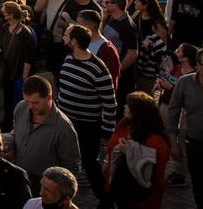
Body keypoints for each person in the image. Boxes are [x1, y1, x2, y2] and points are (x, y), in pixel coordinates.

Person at [58, 24, 117, 204]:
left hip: (87, 127)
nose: (63, 38)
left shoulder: (98, 68)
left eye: (67, 35)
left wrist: (106, 132)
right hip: (66, 122)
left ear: (74, 41)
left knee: (90, 164)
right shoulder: (68, 59)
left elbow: (110, 103)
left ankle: (104, 199)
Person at [11, 76, 81, 191]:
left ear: (49, 97)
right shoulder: (21, 108)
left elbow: (71, 166)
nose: (30, 106)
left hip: (43, 185)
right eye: (27, 101)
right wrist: (8, 142)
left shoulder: (63, 128)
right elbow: (15, 132)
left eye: (35, 102)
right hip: (18, 176)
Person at [103, 91, 170, 209]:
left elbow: (154, 168)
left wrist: (129, 151)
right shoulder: (125, 124)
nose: (124, 106)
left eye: (128, 105)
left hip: (139, 198)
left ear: (138, 112)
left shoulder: (155, 140)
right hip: (118, 188)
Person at [167, 45, 203, 209]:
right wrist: (173, 142)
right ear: (198, 65)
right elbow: (173, 111)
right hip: (194, 144)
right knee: (199, 187)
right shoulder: (185, 83)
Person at [0, 2, 36, 131]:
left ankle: (17, 124)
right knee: (7, 97)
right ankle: (7, 120)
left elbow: (28, 57)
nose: (2, 14)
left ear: (11, 14)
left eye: (4, 11)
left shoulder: (25, 33)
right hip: (7, 69)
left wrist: (25, 77)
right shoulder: (4, 28)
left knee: (17, 100)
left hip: (19, 71)